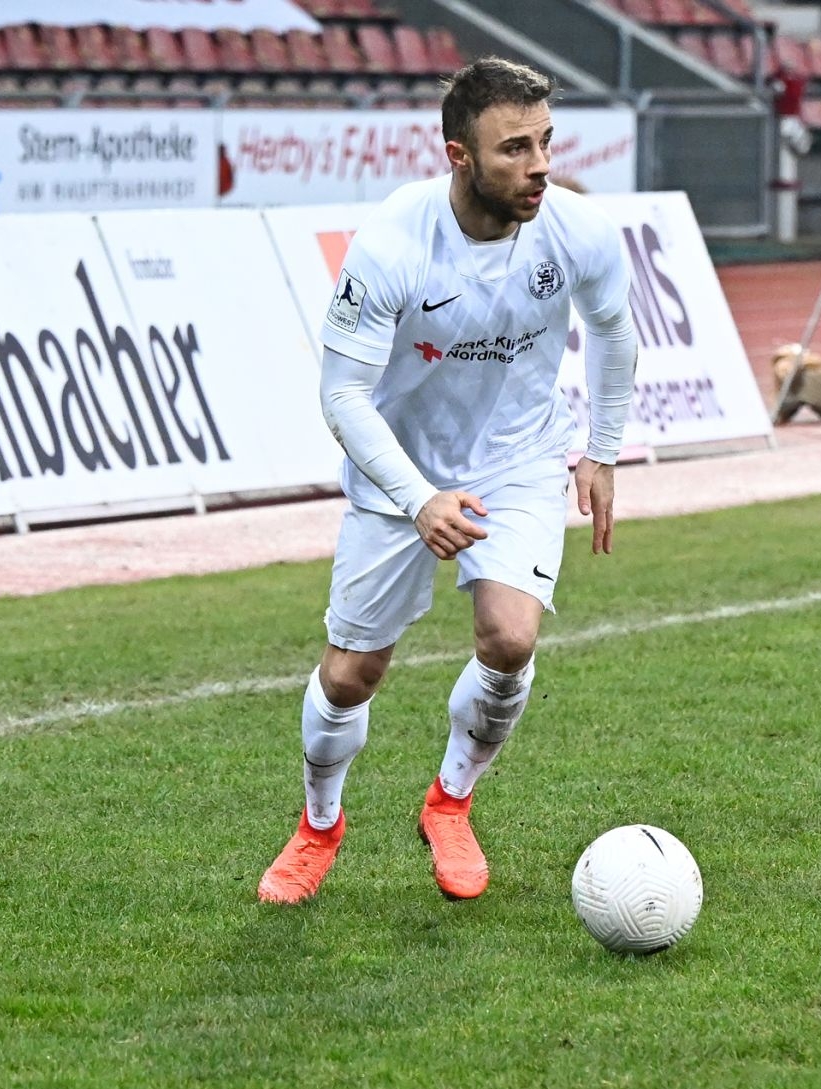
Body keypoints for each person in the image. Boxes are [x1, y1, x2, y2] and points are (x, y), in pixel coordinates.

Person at [257, 56, 637, 905]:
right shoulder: (394, 243)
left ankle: (451, 801)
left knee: (510, 638)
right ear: (459, 156)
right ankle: (320, 824)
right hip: (402, 465)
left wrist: (603, 450)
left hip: (519, 457)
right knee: (351, 675)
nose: (539, 166)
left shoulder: (577, 230)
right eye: (514, 149)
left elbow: (615, 329)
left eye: (545, 142)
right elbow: (342, 395)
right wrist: (418, 497)